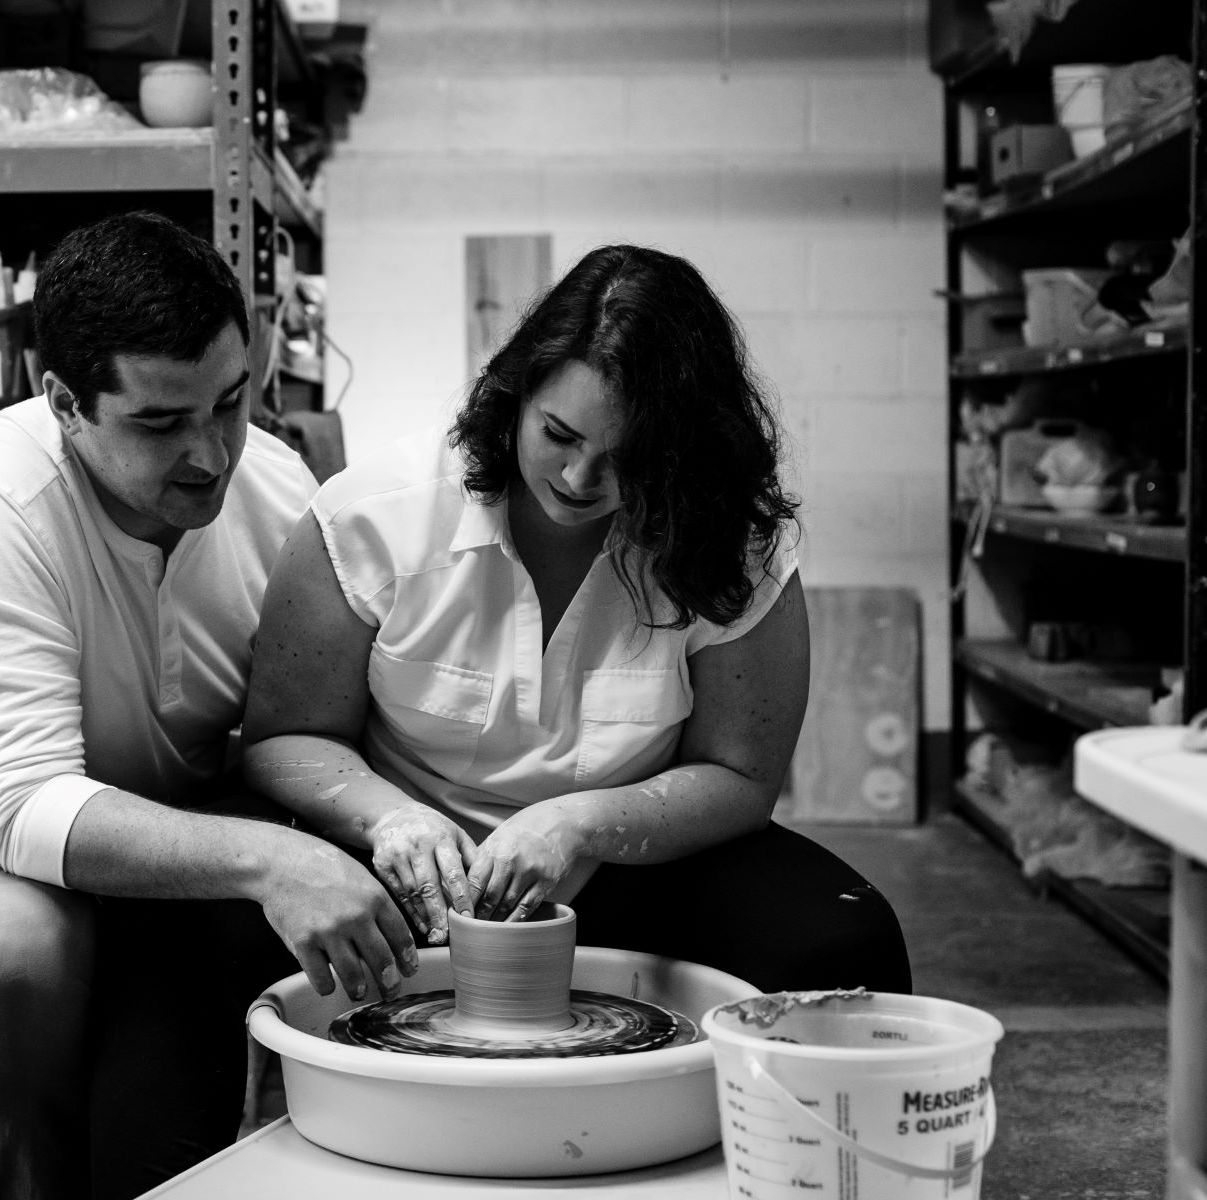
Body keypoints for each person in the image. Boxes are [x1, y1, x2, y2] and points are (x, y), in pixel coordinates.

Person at [0, 212, 418, 1200]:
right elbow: (20, 811)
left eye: (230, 401)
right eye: (161, 423)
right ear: (64, 403)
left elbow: (316, 725)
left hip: (154, 805)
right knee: (20, 944)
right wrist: (274, 859)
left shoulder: (272, 486)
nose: (212, 453)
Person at [242, 243, 912, 996]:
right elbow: (284, 739)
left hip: (636, 855)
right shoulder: (374, 516)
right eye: (559, 435)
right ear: (517, 396)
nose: (578, 479)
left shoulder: (730, 547)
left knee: (844, 940)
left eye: (629, 457)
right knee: (222, 933)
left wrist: (580, 824)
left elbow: (741, 778)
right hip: (412, 865)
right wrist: (389, 818)